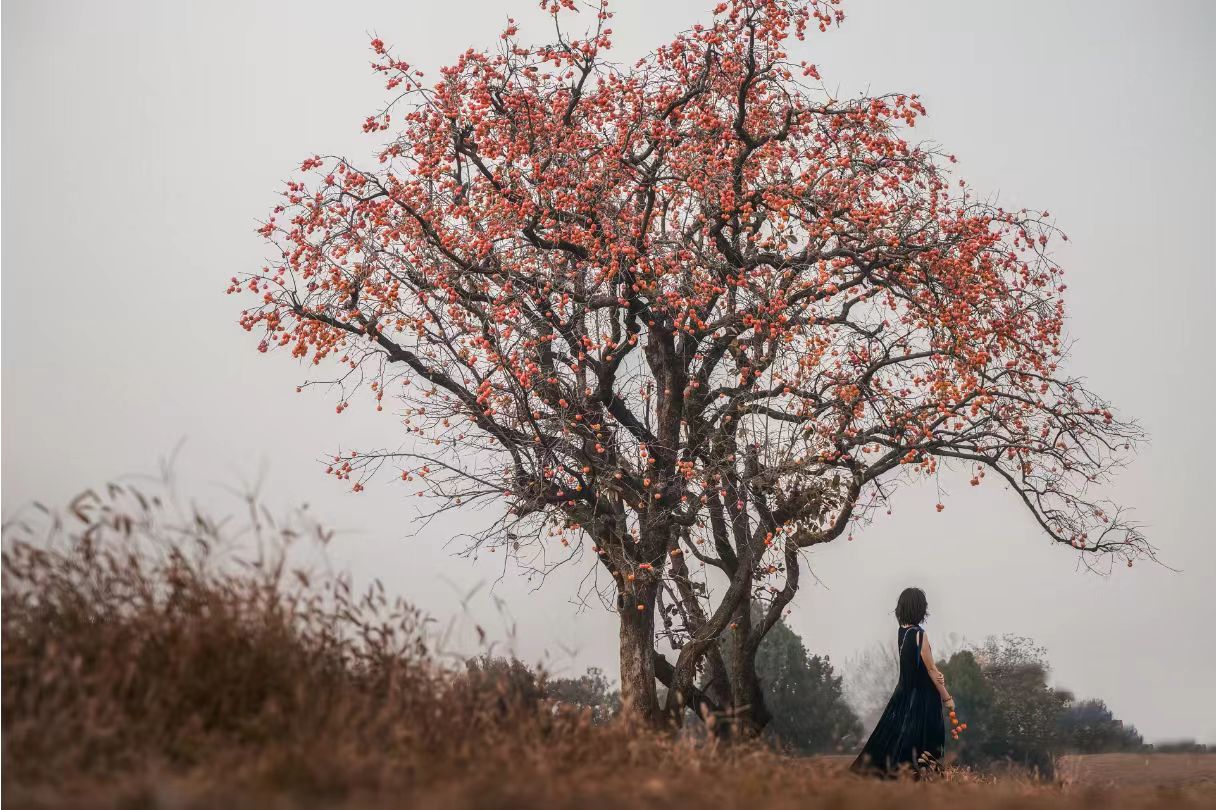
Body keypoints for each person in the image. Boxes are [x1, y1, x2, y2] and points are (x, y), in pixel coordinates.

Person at [850, 587, 953, 779]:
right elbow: (930, 669)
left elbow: (924, 666)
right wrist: (947, 698)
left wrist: (937, 672)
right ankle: (921, 777)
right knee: (925, 740)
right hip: (923, 697)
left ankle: (889, 775)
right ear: (919, 609)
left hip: (904, 693)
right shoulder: (919, 634)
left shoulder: (902, 632)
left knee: (895, 736)